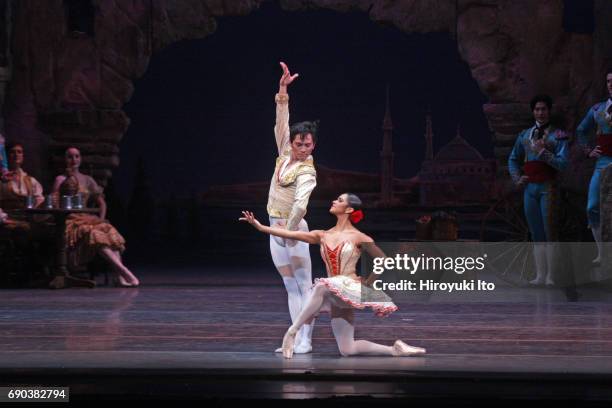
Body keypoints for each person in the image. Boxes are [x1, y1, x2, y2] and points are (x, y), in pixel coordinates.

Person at [240, 193, 426, 359]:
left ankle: (292, 331)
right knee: (347, 349)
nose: (334, 201)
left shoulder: (359, 237)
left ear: (349, 209)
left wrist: (368, 283)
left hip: (348, 287)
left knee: (321, 286)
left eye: (339, 200)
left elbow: (383, 260)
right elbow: (290, 233)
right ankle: (395, 349)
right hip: (335, 291)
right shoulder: (323, 235)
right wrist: (261, 227)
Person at [266, 62, 318, 354]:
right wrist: (283, 91)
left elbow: (300, 204)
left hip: (293, 230)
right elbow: (281, 123)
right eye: (300, 144)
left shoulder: (307, 171)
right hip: (274, 228)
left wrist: (289, 231)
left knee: (305, 287)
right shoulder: (286, 153)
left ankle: (306, 339)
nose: (302, 148)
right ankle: (293, 337)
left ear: (313, 146)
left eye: (308, 145)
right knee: (289, 287)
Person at [52, 147, 139, 287]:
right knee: (95, 234)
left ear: (80, 159)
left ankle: (118, 276)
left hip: (87, 218)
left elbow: (102, 203)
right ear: (65, 160)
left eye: (76, 156)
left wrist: (101, 218)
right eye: (70, 156)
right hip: (71, 219)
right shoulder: (60, 179)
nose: (73, 160)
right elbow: (54, 201)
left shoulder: (87, 179)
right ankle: (124, 271)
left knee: (109, 230)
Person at [508, 95, 569, 286]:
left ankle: (552, 276)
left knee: (550, 231)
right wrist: (518, 178)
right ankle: (540, 276)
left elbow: (563, 164)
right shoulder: (524, 135)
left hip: (547, 187)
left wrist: (544, 153)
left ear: (549, 111)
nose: (540, 112)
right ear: (533, 112)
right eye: (537, 109)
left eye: (543, 109)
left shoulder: (558, 136)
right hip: (530, 189)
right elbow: (512, 159)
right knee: (536, 233)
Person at [576, 67, 612, 264]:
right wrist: (588, 150)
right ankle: (602, 252)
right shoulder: (597, 110)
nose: (611, 84)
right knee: (592, 207)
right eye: (608, 81)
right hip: (603, 162)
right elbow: (581, 131)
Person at [0, 142, 44, 210]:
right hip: (7, 218)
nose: (16, 154)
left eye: (19, 152)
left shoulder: (31, 181)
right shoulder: (2, 179)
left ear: (23, 156)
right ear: (6, 155)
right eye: (12, 152)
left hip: (26, 218)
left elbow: (39, 201)